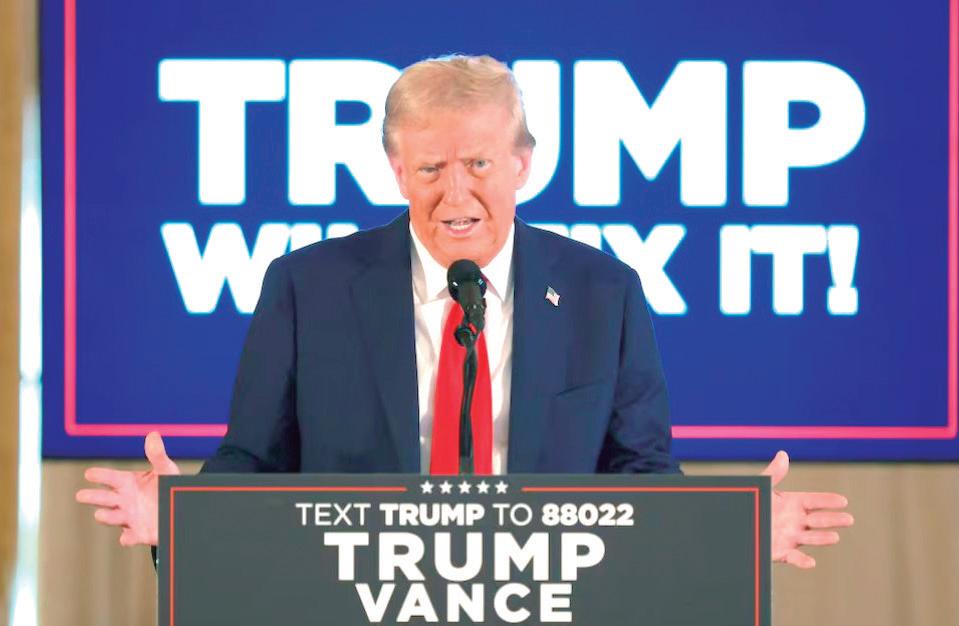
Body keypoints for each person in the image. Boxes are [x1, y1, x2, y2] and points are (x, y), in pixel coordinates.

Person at [77, 54, 852, 569]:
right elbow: (254, 464)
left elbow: (639, 478)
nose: (455, 193)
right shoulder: (305, 288)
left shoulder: (602, 293)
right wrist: (181, 523)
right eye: (429, 168)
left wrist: (729, 535)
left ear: (522, 164)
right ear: (395, 170)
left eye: (479, 163)